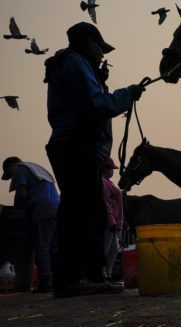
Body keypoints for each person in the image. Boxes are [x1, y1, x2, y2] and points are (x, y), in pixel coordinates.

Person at [43, 22, 145, 298]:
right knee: (81, 214)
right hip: (76, 148)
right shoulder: (76, 64)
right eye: (100, 47)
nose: (102, 54)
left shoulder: (73, 64)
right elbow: (96, 105)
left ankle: (90, 276)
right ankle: (70, 279)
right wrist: (126, 94)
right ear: (89, 42)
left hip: (77, 148)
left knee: (92, 212)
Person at [2, 156, 59, 293]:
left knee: (42, 248)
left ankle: (46, 283)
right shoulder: (37, 169)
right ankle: (57, 281)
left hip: (42, 211)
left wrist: (17, 213)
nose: (11, 177)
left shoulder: (20, 169)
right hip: (57, 210)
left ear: (10, 167)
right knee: (54, 248)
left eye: (9, 174)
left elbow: (21, 195)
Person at [100, 158, 124, 286]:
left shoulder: (108, 183)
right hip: (110, 222)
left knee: (113, 250)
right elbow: (106, 204)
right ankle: (103, 275)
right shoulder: (103, 183)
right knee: (106, 249)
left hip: (113, 222)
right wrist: (112, 221)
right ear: (105, 169)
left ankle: (108, 275)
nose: (112, 172)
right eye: (110, 169)